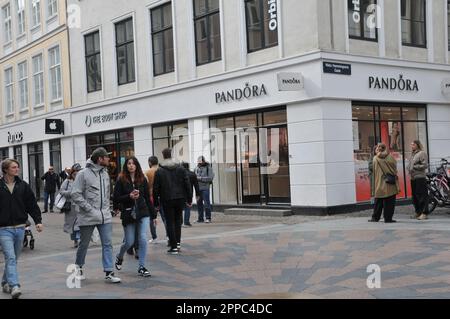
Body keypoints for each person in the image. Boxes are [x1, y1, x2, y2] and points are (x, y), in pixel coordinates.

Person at [71, 147, 121, 283]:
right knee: (84, 244)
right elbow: (75, 193)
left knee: (108, 244)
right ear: (100, 159)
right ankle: (79, 267)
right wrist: (88, 208)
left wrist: (109, 209)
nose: (108, 159)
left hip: (105, 216)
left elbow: (107, 194)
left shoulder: (105, 174)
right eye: (106, 157)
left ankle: (109, 272)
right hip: (88, 216)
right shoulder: (83, 174)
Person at [0, 159, 43, 299]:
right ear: (6, 169)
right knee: (11, 257)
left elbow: (31, 204)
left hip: (20, 228)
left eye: (17, 167)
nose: (17, 169)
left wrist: (38, 221)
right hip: (4, 228)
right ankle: (15, 286)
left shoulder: (23, 185)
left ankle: (5, 282)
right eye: (14, 167)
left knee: (13, 259)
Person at [113, 157, 155, 277]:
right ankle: (119, 256)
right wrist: (129, 196)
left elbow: (147, 197)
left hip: (143, 212)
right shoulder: (121, 179)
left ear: (137, 165)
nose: (131, 166)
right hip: (128, 213)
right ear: (126, 166)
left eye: (133, 163)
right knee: (129, 242)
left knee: (142, 238)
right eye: (129, 164)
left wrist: (154, 215)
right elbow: (116, 197)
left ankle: (142, 266)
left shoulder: (142, 178)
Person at [153, 148, 192, 255]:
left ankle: (173, 246)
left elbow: (156, 188)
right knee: (178, 221)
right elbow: (187, 184)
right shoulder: (180, 168)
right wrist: (189, 198)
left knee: (170, 222)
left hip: (167, 199)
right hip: (180, 198)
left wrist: (156, 203)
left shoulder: (160, 171)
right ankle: (178, 243)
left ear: (163, 156)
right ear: (171, 155)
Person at [369, 143, 400, 223]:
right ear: (385, 148)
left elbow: (373, 169)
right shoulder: (390, 157)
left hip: (379, 182)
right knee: (389, 202)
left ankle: (375, 217)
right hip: (389, 182)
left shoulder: (375, 158)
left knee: (378, 201)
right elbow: (394, 167)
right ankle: (388, 218)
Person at [59, 164, 82, 248]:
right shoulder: (67, 181)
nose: (77, 174)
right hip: (71, 206)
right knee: (72, 224)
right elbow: (61, 191)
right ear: (72, 172)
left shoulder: (82, 180)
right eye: (76, 172)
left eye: (79, 171)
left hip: (80, 205)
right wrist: (70, 193)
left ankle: (79, 238)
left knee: (80, 222)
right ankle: (75, 240)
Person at [145, 156, 166, 243]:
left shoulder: (148, 172)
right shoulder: (163, 171)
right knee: (165, 217)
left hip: (152, 197)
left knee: (152, 218)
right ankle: (168, 235)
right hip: (163, 196)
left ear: (150, 162)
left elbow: (146, 186)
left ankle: (154, 237)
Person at [407, 140, 429, 220]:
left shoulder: (422, 153)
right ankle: (418, 212)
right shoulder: (413, 154)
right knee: (415, 196)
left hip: (420, 177)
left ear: (417, 145)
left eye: (413, 145)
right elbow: (411, 164)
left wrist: (414, 167)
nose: (411, 146)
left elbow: (425, 165)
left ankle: (424, 213)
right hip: (413, 177)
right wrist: (408, 167)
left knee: (421, 195)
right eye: (411, 145)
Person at [194, 156, 215, 223]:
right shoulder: (196, 167)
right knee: (199, 204)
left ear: (203, 161)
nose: (199, 163)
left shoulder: (208, 167)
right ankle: (200, 218)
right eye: (198, 162)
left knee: (206, 204)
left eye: (201, 162)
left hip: (205, 188)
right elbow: (194, 177)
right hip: (198, 189)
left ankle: (208, 218)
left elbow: (210, 178)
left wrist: (200, 178)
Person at [181, 162, 200, 227]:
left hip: (180, 194)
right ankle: (186, 222)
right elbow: (196, 185)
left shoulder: (179, 174)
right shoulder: (192, 174)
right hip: (189, 193)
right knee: (187, 207)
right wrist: (197, 194)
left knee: (179, 208)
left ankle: (180, 222)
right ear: (188, 167)